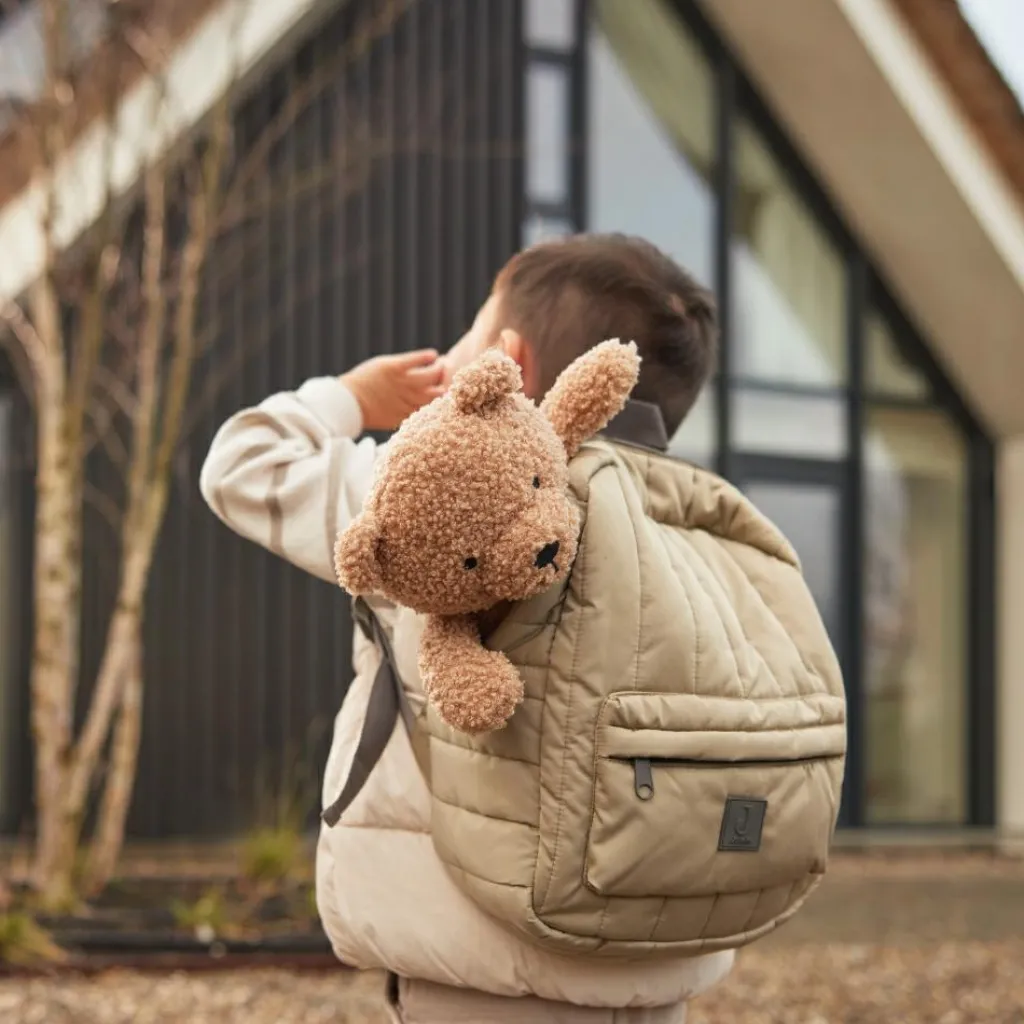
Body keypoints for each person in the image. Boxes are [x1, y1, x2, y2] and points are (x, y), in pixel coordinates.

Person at [200, 233, 735, 1022]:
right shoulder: (693, 523)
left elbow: (241, 464)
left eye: (469, 331)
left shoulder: (438, 487)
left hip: (481, 965)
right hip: (654, 960)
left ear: (507, 364)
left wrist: (353, 397)